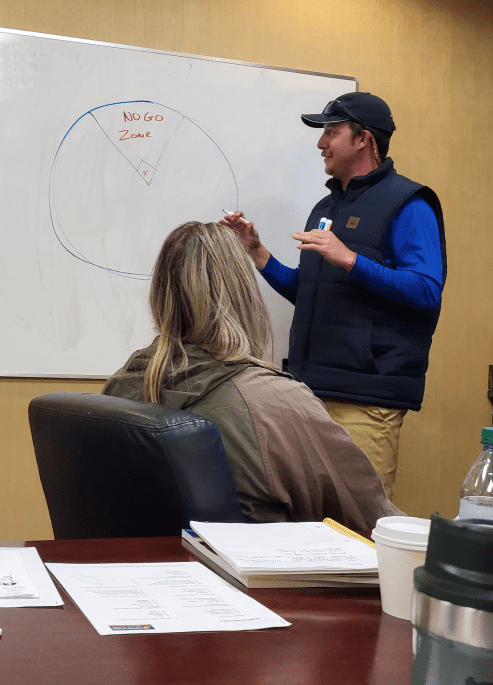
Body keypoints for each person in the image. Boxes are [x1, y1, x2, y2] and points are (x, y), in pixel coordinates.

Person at [102, 221, 400, 529]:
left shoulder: (121, 388)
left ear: (160, 295)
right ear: (244, 293)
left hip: (149, 559)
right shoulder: (279, 402)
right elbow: (374, 518)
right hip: (251, 561)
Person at [220, 92, 446, 498]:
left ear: (363, 139)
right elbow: (310, 294)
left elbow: (427, 290)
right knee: (308, 515)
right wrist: (257, 252)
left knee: (358, 518)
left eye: (331, 132)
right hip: (309, 393)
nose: (321, 143)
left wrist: (351, 260)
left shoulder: (409, 205)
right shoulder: (326, 207)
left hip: (367, 399)